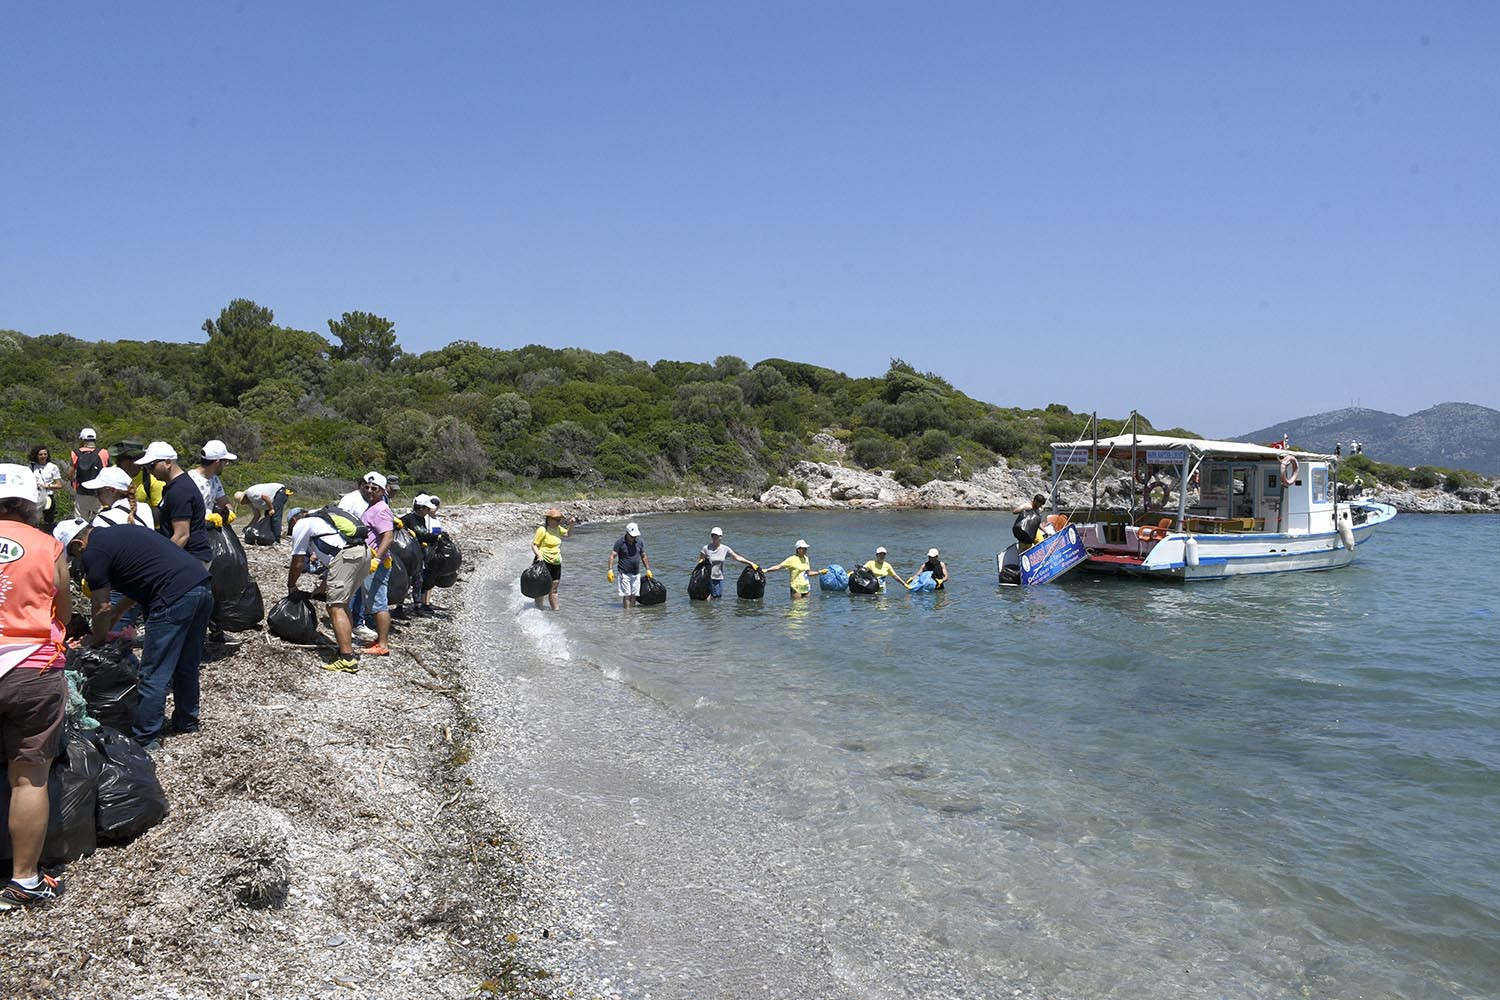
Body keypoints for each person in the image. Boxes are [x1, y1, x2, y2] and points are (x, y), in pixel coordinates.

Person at [54, 517, 213, 752]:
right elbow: (143, 579)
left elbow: (101, 605)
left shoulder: (93, 552)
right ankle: (187, 722)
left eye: (74, 555)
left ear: (78, 544)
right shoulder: (119, 534)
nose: (78, 560)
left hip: (173, 597)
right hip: (201, 585)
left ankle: (146, 738)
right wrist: (118, 612)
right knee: (186, 662)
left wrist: (96, 639)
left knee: (154, 670)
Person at [0, 465, 69, 910]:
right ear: (33, 504)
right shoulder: (48, 545)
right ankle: (24, 879)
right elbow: (63, 607)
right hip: (31, 669)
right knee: (29, 776)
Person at [142, 441, 236, 649]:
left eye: (151, 465)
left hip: (190, 556)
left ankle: (187, 651)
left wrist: (159, 567)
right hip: (190, 554)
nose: (149, 471)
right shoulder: (177, 486)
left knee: (183, 611)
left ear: (167, 462)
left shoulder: (180, 490)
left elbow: (182, 535)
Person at [286, 507, 370, 674]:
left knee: (335, 607)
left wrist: (291, 585)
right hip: (364, 553)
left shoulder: (302, 524)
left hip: (348, 556)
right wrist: (322, 587)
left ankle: (347, 659)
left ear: (293, 521)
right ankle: (346, 648)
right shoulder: (322, 522)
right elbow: (333, 556)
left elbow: (298, 561)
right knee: (342, 604)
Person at [352, 472, 395, 656]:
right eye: (367, 487)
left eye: (374, 488)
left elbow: (388, 536)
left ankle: (383, 644)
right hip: (369, 561)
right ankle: (380, 640)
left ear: (382, 491)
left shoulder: (381, 509)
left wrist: (377, 559)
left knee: (378, 603)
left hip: (377, 563)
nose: (369, 490)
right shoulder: (372, 507)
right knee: (373, 602)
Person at [403, 494, 439, 616]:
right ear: (421, 508)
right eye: (427, 509)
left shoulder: (422, 519)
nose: (428, 511)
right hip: (408, 557)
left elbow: (423, 534)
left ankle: (417, 606)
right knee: (407, 581)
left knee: (418, 580)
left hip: (419, 555)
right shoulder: (408, 519)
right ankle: (399, 606)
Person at [86, 467, 155, 530]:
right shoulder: (145, 508)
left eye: (98, 491)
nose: (96, 496)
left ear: (112, 491)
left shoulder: (101, 520)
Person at [698, 527, 756, 599]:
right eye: (713, 535)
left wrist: (750, 563)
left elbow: (737, 557)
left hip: (718, 578)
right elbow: (700, 562)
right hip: (706, 578)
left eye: (716, 535)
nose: (714, 537)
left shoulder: (725, 549)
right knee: (705, 599)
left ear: (720, 537)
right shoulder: (706, 548)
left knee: (716, 599)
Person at [67, 428, 110, 522]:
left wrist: (73, 483)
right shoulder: (104, 453)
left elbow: (70, 474)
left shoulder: (75, 453)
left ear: (82, 440)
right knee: (100, 520)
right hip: (99, 492)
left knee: (80, 521)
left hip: (82, 491)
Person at [606, 522, 653, 608]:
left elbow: (644, 556)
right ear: (627, 533)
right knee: (627, 594)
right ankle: (627, 613)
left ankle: (632, 613)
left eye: (635, 536)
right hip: (624, 573)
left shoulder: (639, 542)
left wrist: (648, 569)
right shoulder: (620, 543)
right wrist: (610, 570)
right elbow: (612, 556)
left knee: (634, 594)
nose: (633, 538)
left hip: (636, 573)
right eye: (632, 536)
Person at [188, 440, 236, 519]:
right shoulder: (189, 481)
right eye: (225, 461)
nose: (226, 464)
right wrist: (206, 518)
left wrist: (229, 512)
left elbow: (223, 502)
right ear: (217, 462)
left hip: (209, 525)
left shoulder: (215, 480)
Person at [530, 508, 567, 610]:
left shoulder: (558, 529)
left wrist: (571, 524)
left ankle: (556, 612)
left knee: (554, 590)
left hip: (556, 562)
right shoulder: (542, 530)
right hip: (543, 561)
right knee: (541, 589)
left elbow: (568, 534)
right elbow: (534, 545)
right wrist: (539, 555)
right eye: (557, 519)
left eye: (559, 519)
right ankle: (538, 610)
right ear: (549, 519)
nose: (559, 521)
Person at [26, 445, 63, 531]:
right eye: (40, 454)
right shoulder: (31, 467)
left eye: (45, 454)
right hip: (35, 496)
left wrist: (46, 486)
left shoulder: (53, 467)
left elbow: (59, 485)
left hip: (48, 496)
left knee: (48, 520)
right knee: (33, 518)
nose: (43, 456)